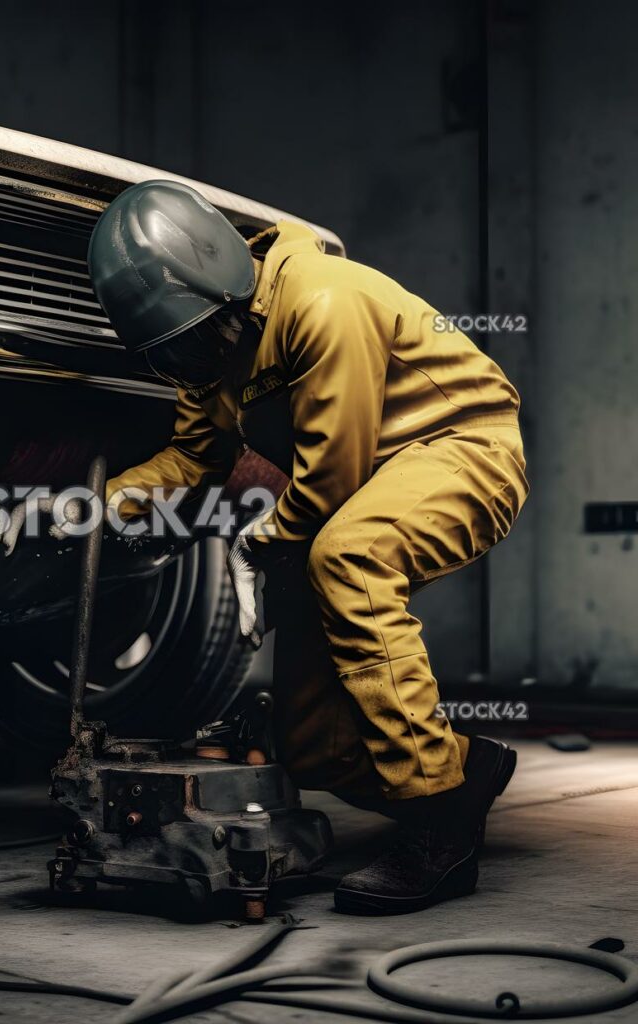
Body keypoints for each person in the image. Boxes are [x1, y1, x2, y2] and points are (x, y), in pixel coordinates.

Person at [83, 179, 529, 914]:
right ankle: (463, 769)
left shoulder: (323, 301)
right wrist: (99, 504)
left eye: (193, 343)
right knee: (312, 743)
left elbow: (332, 475)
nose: (188, 366)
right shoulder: (206, 356)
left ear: (222, 293)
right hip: (369, 488)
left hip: (463, 449)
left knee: (347, 557)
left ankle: (440, 825)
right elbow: (194, 460)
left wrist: (257, 545)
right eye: (171, 354)